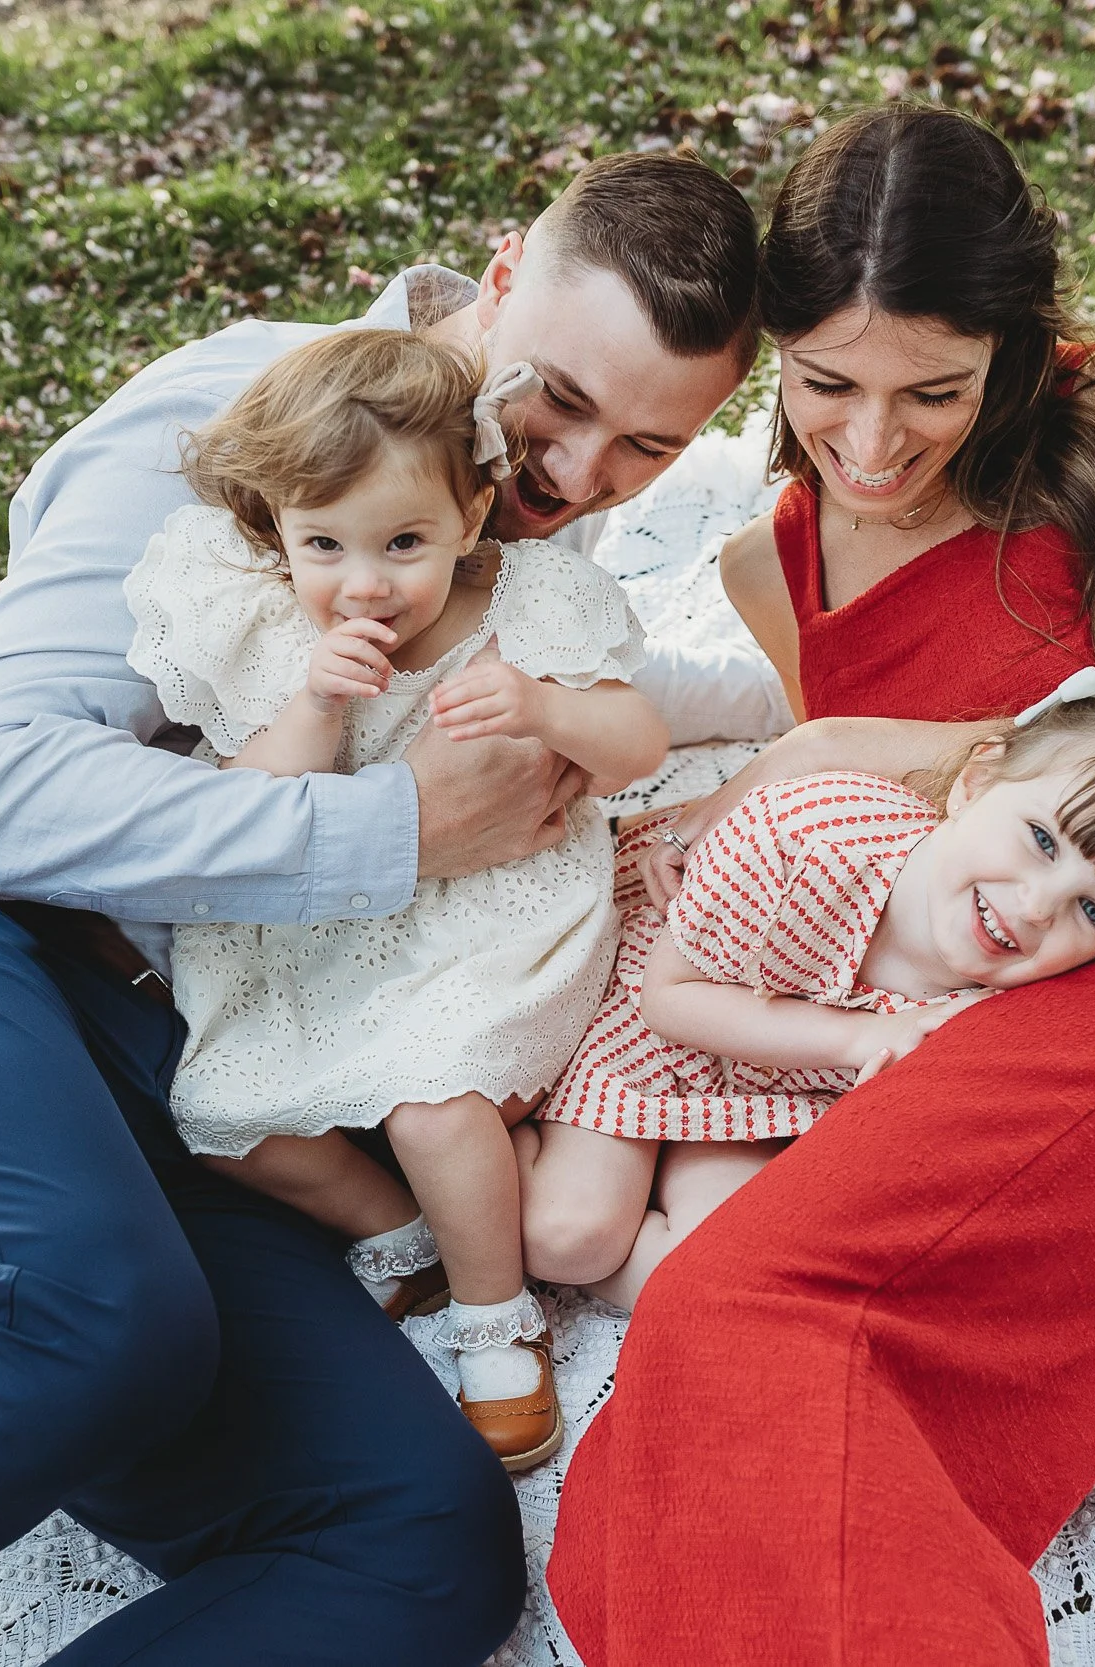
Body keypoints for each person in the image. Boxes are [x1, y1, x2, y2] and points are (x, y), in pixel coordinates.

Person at [0, 154, 766, 1667]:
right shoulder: (248, 413)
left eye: (646, 448)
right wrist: (396, 832)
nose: (575, 472)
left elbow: (634, 687)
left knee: (414, 1543)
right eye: (555, 401)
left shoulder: (504, 526)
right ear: (498, 279)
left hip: (179, 1071)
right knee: (81, 1314)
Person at [546, 104, 1095, 1665]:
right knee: (717, 1356)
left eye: (934, 389)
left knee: (751, 1320)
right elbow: (865, 881)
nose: (874, 442)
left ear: (1009, 350)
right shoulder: (766, 566)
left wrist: (838, 742)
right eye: (826, 384)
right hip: (1010, 1001)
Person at [126, 328, 667, 1471]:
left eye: (404, 542)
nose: (364, 582)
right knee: (222, 1119)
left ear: (470, 518)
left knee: (433, 1102)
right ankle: (401, 1228)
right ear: (278, 529)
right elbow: (251, 805)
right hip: (334, 920)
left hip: (497, 916)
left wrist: (546, 707)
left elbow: (638, 744)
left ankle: (494, 1315)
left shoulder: (529, 602)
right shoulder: (278, 628)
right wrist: (315, 707)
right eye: (324, 543)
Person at [522, 679, 1095, 1310]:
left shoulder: (1012, 999)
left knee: (728, 1264)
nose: (1038, 907)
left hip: (766, 1093)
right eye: (1043, 841)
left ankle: (674, 1265)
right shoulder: (805, 838)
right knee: (572, 1236)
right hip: (664, 1023)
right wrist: (855, 1039)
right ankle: (503, 1150)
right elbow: (669, 997)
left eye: (1093, 911)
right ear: (976, 783)